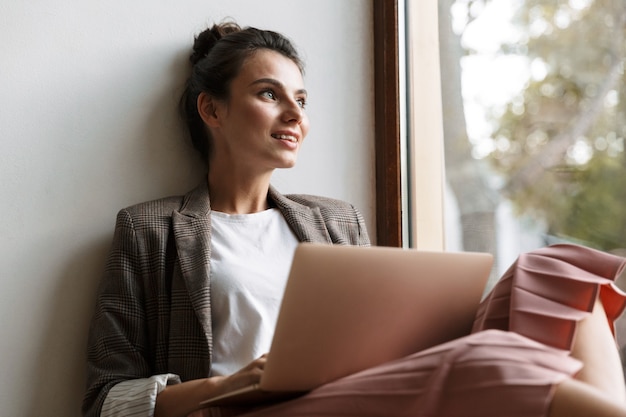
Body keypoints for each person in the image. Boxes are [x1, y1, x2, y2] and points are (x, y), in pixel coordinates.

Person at [83, 21, 626, 417]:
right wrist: (232, 385)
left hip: (360, 391)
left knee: (550, 272)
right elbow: (108, 400)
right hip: (250, 412)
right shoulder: (150, 230)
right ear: (213, 110)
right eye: (269, 95)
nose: (296, 115)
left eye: (300, 98)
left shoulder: (334, 220)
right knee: (488, 361)